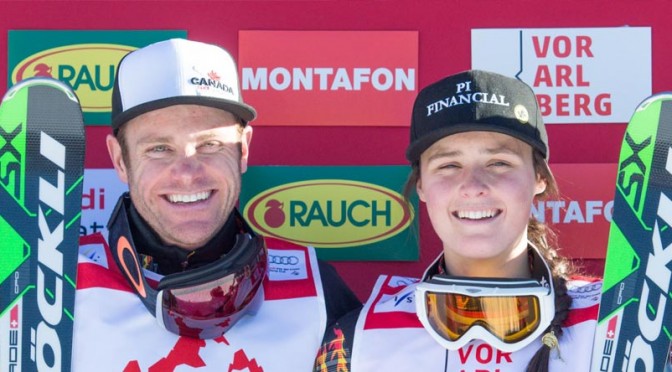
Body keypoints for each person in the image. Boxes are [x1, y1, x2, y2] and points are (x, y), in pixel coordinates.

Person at [72, 38, 360, 371]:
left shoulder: (316, 290)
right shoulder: (57, 287)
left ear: (244, 150)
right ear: (120, 160)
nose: (186, 174)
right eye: (159, 149)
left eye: (210, 144)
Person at [314, 70, 601, 372]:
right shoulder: (354, 341)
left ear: (539, 177)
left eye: (499, 163)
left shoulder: (611, 322)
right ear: (421, 185)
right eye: (449, 165)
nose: (473, 185)